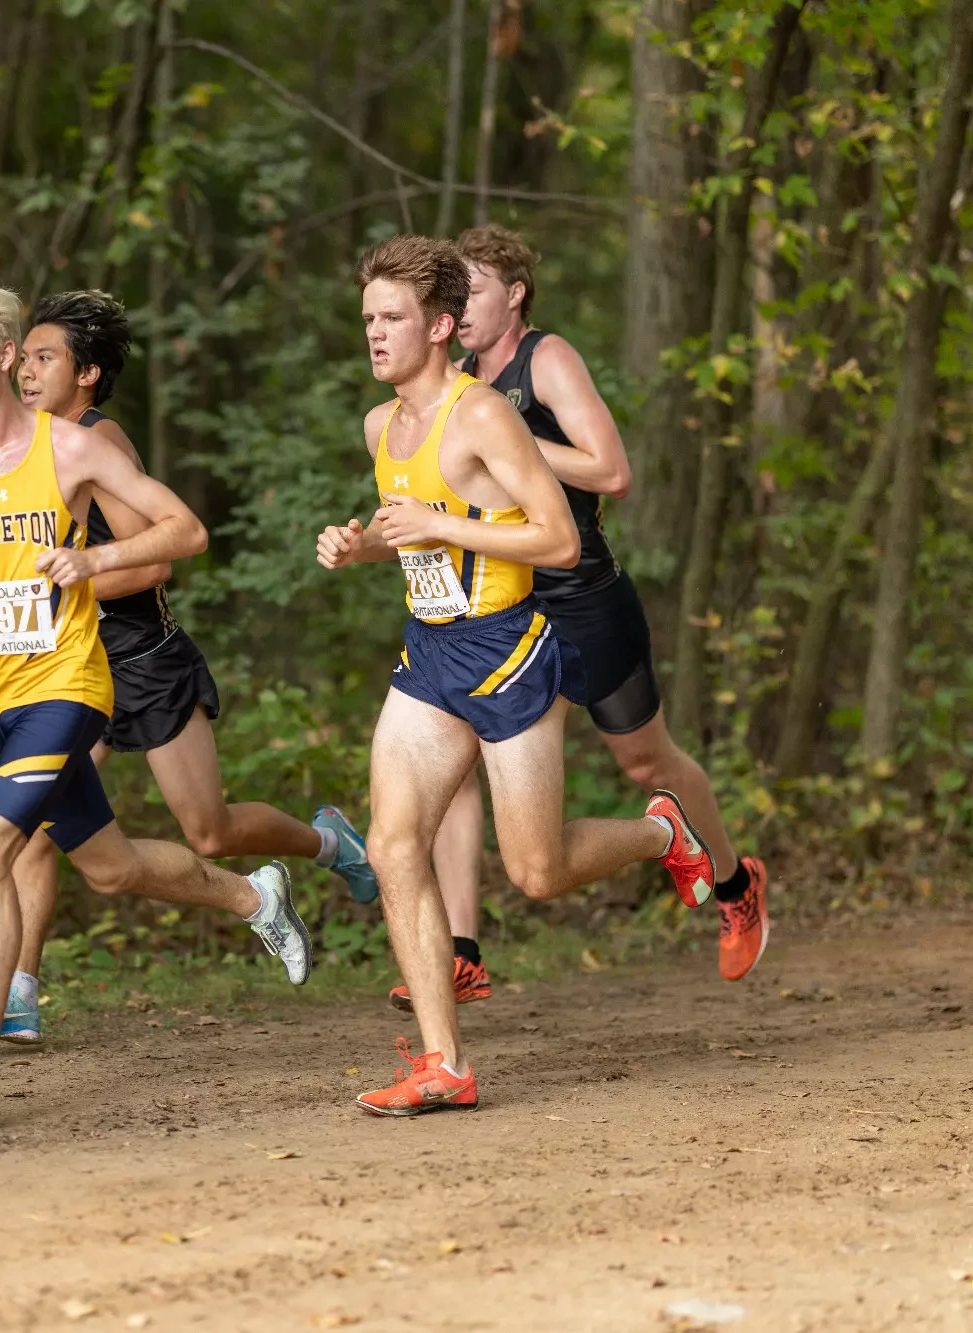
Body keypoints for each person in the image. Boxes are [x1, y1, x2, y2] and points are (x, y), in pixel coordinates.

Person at [0, 276, 312, 1119]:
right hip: (0, 697)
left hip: (70, 686)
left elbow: (184, 530)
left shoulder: (71, 450)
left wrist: (93, 561)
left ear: (5, 355)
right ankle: (254, 894)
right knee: (109, 869)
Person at [316, 235, 718, 1116]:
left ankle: (664, 834)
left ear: (441, 326)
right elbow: (411, 525)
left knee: (535, 870)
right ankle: (442, 1061)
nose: (376, 336)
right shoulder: (382, 425)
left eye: (393, 319)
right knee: (392, 844)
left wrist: (443, 523)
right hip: (430, 657)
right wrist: (364, 543)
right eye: (369, 320)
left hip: (508, 650)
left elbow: (559, 540)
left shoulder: (485, 415)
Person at [0, 290, 375, 1045]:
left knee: (211, 829)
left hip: (143, 658)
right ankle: (18, 991)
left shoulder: (96, 443)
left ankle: (330, 844)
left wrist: (62, 582)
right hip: (70, 672)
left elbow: (158, 565)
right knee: (37, 829)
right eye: (28, 355)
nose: (33, 371)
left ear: (88, 375)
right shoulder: (10, 451)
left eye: (49, 358)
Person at [410, 224, 767, 995]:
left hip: (581, 599)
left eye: (472, 291)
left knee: (648, 760)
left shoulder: (549, 359)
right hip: (499, 608)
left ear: (514, 294)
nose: (459, 308)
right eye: (450, 295)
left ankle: (735, 884)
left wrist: (507, 444)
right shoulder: (460, 379)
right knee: (455, 753)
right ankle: (463, 948)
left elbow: (612, 471)